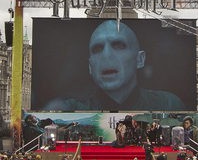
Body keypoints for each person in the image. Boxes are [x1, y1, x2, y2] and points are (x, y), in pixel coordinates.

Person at [44, 20, 185, 111]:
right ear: (90, 66)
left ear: (140, 59)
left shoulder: (168, 104)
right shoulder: (68, 110)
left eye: (118, 45)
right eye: (98, 49)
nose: (107, 56)